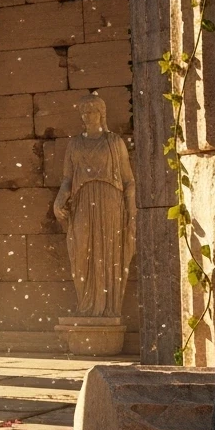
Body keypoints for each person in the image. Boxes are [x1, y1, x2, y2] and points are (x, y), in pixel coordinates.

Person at [53, 92, 136, 317]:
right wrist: (59, 199)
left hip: (110, 202)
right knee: (80, 253)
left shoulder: (114, 142)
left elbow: (129, 180)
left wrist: (131, 213)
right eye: (85, 112)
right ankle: (86, 304)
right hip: (82, 202)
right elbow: (67, 179)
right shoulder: (74, 144)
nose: (89, 116)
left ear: (102, 114)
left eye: (93, 111)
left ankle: (108, 308)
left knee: (108, 253)